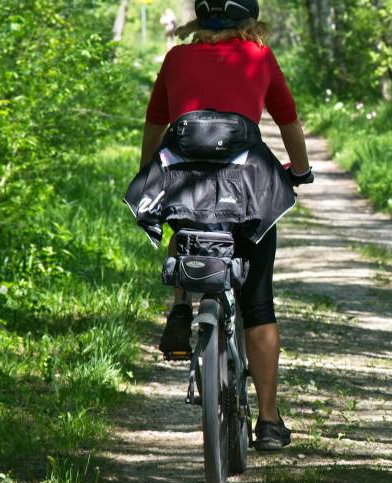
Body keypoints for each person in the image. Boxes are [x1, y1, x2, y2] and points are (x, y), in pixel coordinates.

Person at [138, 0, 313, 451]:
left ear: (199, 19)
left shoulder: (176, 57)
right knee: (258, 304)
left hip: (186, 186)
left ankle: (181, 305)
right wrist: (300, 170)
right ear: (248, 20)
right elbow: (287, 119)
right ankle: (270, 422)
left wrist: (149, 173)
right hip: (247, 190)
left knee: (185, 223)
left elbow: (156, 123)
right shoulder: (258, 56)